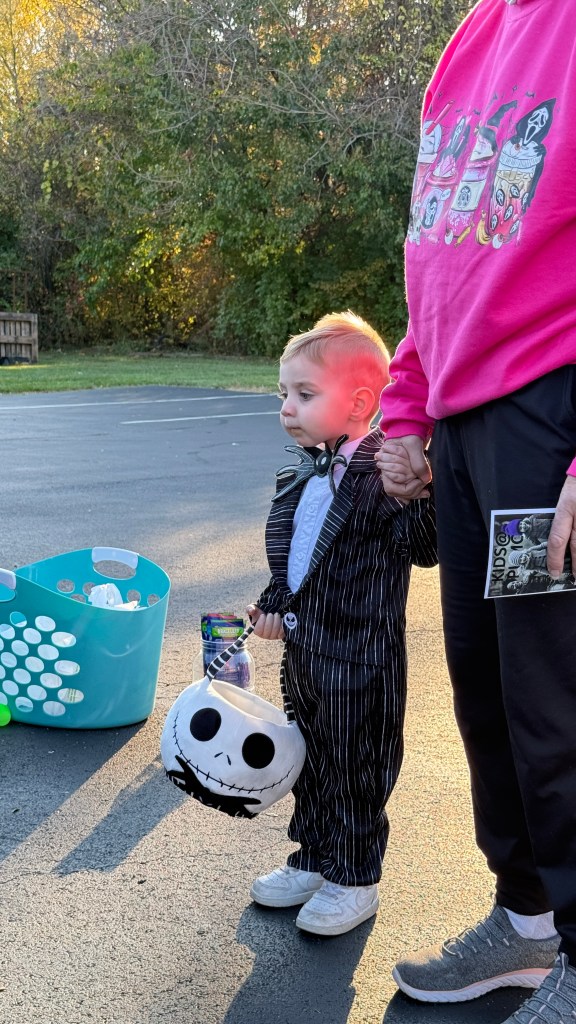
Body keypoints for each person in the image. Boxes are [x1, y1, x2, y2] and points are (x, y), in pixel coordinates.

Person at [375, 0, 576, 1018]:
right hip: (466, 431)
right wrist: (408, 405)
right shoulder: (472, 37)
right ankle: (529, 922)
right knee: (490, 694)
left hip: (548, 417)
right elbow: (444, 249)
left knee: (557, 700)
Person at [247, 311, 436, 937]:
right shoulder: (298, 474)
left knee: (357, 769)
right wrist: (274, 605)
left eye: (304, 394)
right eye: (283, 393)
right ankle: (313, 857)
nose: (287, 407)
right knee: (310, 760)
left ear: (359, 403)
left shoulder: (386, 470)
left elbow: (425, 548)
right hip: (306, 655)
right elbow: (295, 562)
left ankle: (354, 877)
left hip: (362, 661)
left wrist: (418, 494)